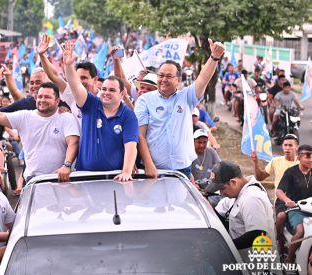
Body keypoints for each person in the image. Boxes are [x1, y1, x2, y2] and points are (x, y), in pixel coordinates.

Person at [0, 82, 80, 182]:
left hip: (60, 178)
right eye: (40, 96)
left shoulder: (66, 117)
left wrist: (67, 165)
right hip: (33, 180)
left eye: (47, 97)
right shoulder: (25, 116)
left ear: (57, 101)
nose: (42, 100)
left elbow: (73, 142)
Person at [135, 39, 225, 179]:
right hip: (153, 169)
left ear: (178, 80)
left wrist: (214, 57)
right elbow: (140, 135)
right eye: (161, 75)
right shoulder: (144, 100)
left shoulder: (187, 97)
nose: (164, 79)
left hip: (181, 169)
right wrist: (148, 163)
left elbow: (203, 78)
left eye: (169, 76)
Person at [62, 41, 138, 181]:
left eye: (112, 90)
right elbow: (75, 86)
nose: (106, 93)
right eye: (103, 89)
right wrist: (68, 66)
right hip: (85, 176)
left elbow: (131, 146)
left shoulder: (128, 115)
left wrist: (126, 171)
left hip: (116, 178)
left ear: (122, 95)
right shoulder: (91, 103)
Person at [207, 161, 277, 268]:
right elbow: (216, 216)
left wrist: (224, 247)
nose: (221, 193)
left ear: (234, 182)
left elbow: (256, 235)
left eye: (223, 188)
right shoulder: (237, 192)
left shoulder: (252, 197)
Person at [250, 134, 300, 255]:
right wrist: (256, 162)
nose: (287, 148)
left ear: (296, 147)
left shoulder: (302, 162)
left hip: (299, 198)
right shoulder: (276, 161)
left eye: (290, 145)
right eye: (285, 145)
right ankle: (280, 242)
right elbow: (260, 177)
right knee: (280, 217)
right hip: (282, 199)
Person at [276, 145, 312, 264]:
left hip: (310, 207)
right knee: (300, 231)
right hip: (295, 208)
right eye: (307, 156)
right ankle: (289, 257)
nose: (311, 159)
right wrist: (287, 201)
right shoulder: (291, 172)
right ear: (298, 158)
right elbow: (279, 191)